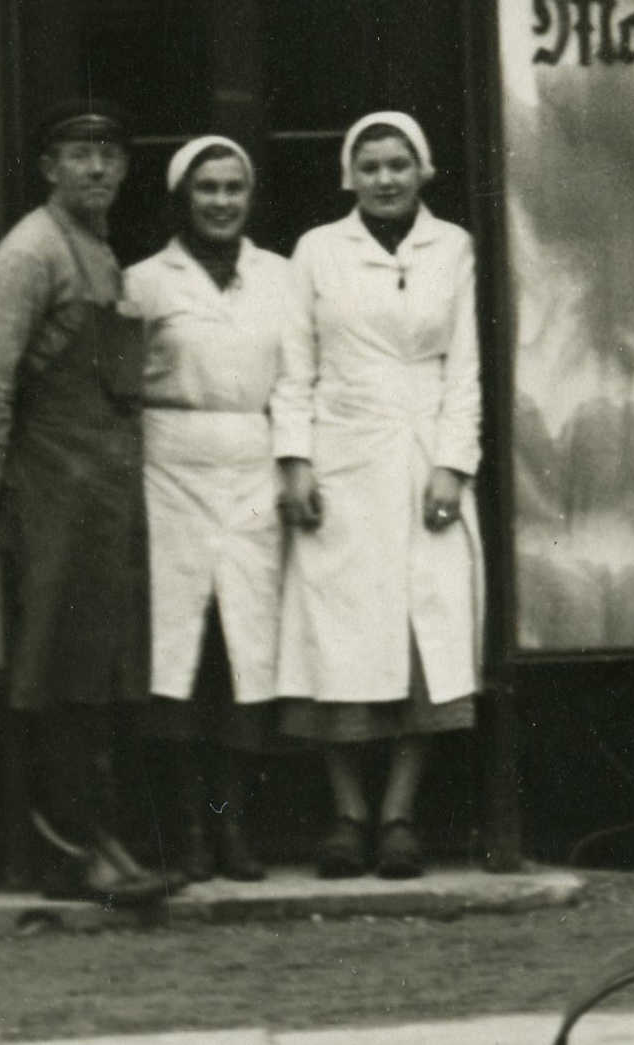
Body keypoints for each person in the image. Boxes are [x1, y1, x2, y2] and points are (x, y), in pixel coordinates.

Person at [0, 98, 169, 905]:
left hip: (101, 494)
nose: (98, 168)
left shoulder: (99, 252)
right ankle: (70, 849)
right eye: (80, 154)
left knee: (97, 669)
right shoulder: (31, 252)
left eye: (110, 154)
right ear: (50, 168)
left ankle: (104, 837)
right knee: (56, 670)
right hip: (52, 493)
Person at [271, 107, 483, 880]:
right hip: (341, 456)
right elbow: (294, 365)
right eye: (371, 167)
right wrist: (294, 459)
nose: (385, 179)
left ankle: (398, 814)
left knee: (422, 628)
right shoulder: (318, 251)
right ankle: (346, 813)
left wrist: (452, 465)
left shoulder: (451, 246)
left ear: (422, 170)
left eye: (399, 164)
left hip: (425, 453)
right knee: (338, 632)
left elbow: (464, 367)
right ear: (349, 176)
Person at [125, 132, 305, 882]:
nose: (222, 201)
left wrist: (295, 463)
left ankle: (235, 834)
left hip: (253, 467)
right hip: (168, 465)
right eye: (208, 188)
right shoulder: (144, 281)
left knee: (242, 655)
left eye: (234, 187)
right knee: (180, 653)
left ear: (250, 196)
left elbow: (296, 379)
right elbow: (122, 386)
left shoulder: (282, 277)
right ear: (183, 198)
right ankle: (187, 836)